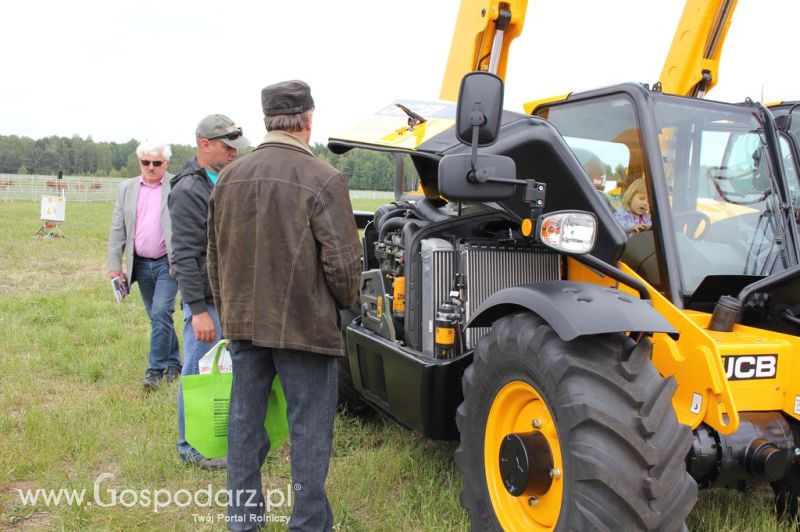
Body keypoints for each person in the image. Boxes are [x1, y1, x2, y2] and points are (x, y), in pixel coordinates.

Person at [207, 80, 361, 530]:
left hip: (245, 325)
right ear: (308, 120)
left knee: (244, 430)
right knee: (309, 433)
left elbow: (213, 256)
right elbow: (345, 265)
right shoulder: (324, 178)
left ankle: (244, 522)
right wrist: (343, 304)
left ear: (267, 119)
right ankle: (309, 523)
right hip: (306, 329)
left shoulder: (229, 177)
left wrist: (229, 312)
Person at [169, 114, 250, 469]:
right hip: (207, 301)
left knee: (226, 371)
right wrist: (198, 309)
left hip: (231, 297)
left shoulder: (225, 180)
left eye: (235, 145)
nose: (234, 152)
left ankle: (221, 438)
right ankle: (191, 446)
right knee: (199, 369)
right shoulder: (189, 190)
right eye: (226, 145)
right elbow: (185, 255)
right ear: (205, 145)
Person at [107, 141, 180, 390]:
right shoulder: (126, 188)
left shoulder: (177, 185)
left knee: (161, 312)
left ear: (165, 164)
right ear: (140, 162)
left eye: (156, 163)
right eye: (145, 162)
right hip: (140, 265)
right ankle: (174, 362)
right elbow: (118, 228)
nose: (151, 167)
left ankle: (154, 370)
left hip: (168, 264)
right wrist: (114, 265)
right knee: (157, 317)